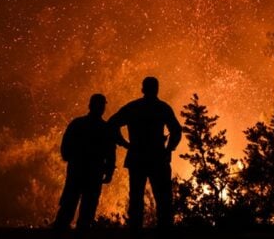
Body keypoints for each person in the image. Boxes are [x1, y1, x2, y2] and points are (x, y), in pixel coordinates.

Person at [109, 76, 182, 231]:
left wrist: (124, 143)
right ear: (157, 89)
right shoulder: (162, 108)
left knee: (136, 199)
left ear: (143, 89)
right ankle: (164, 235)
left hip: (137, 158)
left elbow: (112, 123)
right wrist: (169, 149)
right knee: (163, 199)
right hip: (158, 158)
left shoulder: (133, 107)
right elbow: (176, 130)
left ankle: (135, 236)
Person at [53, 93, 116, 230]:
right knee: (87, 210)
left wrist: (71, 159)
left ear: (89, 105)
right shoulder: (105, 128)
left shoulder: (78, 124)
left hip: (77, 171)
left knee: (68, 206)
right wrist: (109, 171)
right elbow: (110, 153)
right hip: (94, 173)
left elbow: (65, 146)